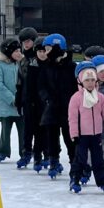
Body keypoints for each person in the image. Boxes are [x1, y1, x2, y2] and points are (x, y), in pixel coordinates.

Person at [37, 32, 78, 180]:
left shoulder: (73, 67)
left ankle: (75, 163)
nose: (45, 53)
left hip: (69, 110)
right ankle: (54, 161)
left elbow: (78, 88)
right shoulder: (46, 67)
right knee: (52, 137)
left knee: (70, 138)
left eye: (48, 49)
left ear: (57, 48)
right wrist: (46, 99)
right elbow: (41, 86)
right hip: (52, 108)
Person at [68, 64, 104, 194]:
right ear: (81, 81)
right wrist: (74, 134)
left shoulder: (100, 97)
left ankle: (103, 180)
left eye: (93, 80)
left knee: (99, 159)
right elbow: (73, 118)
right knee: (80, 159)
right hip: (82, 136)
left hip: (96, 134)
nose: (90, 83)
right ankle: (75, 179)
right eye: (87, 80)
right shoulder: (76, 98)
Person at [0, 38, 25, 162]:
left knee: (23, 131)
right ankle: (3, 151)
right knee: (5, 131)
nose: (18, 53)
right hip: (6, 105)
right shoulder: (0, 66)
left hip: (21, 105)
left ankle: (25, 151)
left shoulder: (21, 64)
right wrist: (12, 99)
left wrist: (22, 98)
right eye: (15, 51)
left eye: (19, 50)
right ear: (8, 52)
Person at [15, 26, 41, 169]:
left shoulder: (40, 58)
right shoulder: (23, 61)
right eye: (24, 42)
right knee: (27, 129)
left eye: (29, 41)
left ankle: (40, 155)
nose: (26, 44)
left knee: (40, 129)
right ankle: (26, 153)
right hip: (27, 100)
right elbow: (19, 82)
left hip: (40, 100)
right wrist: (18, 100)